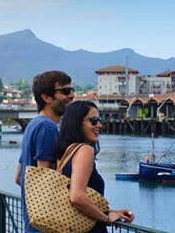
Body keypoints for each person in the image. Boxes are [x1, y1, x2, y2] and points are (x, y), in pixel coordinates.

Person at [55, 100, 134, 233]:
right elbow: (77, 197)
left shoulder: (67, 152)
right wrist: (106, 218)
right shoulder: (85, 150)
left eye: (99, 120)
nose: (99, 125)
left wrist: (110, 212)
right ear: (77, 123)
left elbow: (75, 198)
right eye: (93, 120)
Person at [15, 70, 75, 232]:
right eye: (65, 91)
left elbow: (19, 178)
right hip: (46, 226)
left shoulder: (33, 125)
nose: (72, 95)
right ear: (46, 97)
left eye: (72, 90)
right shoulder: (47, 128)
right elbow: (46, 181)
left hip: (33, 223)